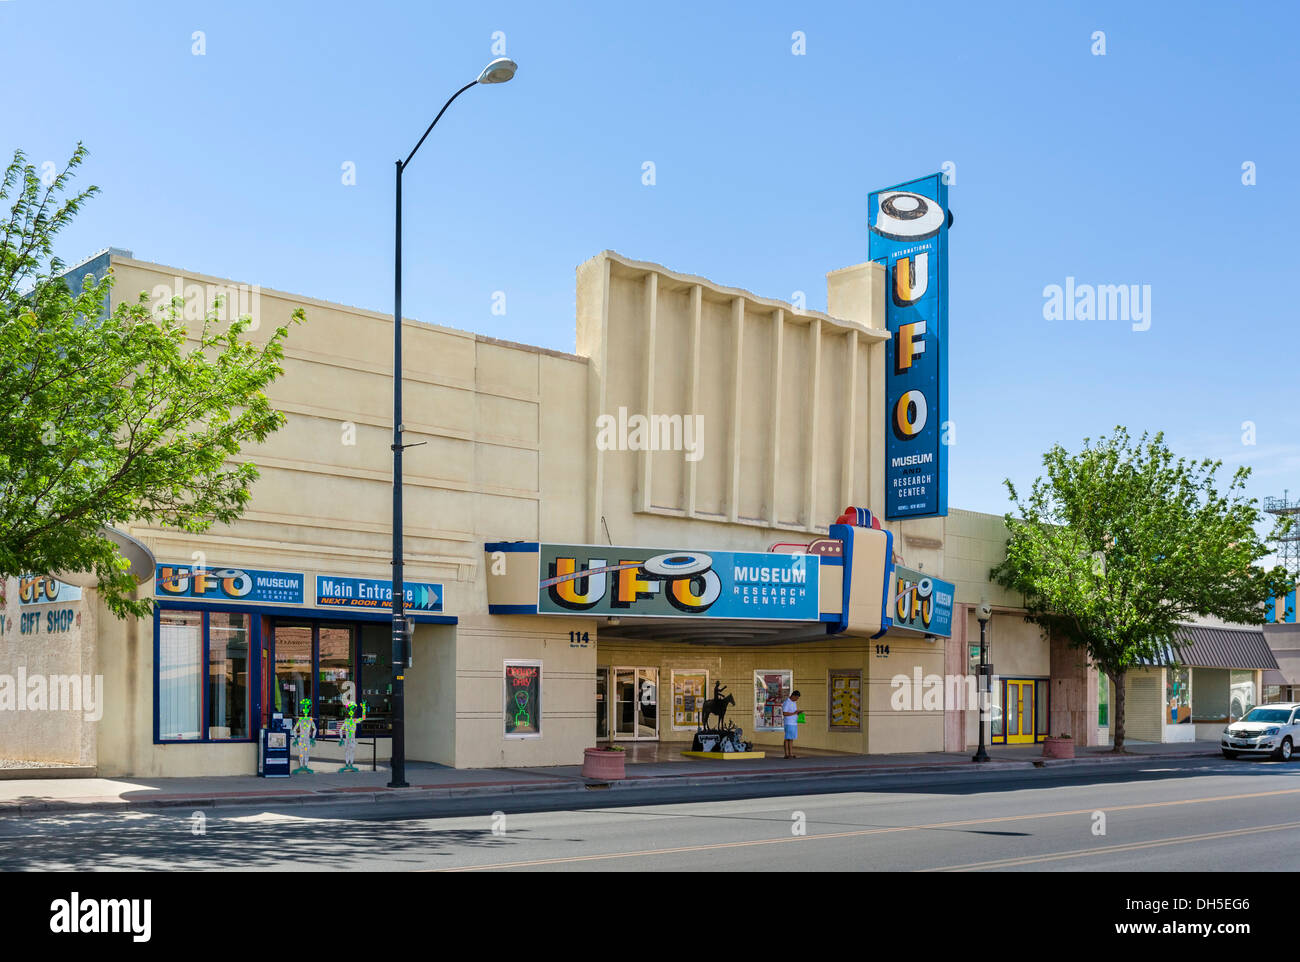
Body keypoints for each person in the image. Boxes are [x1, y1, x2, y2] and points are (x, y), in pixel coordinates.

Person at [782, 690, 801, 758]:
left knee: (791, 738)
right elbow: (784, 713)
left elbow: (793, 712)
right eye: (797, 698)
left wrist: (798, 713)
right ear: (793, 696)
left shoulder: (794, 702)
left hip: (794, 723)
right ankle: (786, 754)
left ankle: (791, 753)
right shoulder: (787, 702)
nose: (797, 699)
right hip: (788, 723)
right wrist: (794, 713)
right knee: (787, 738)